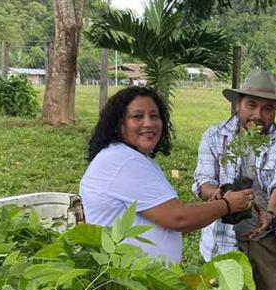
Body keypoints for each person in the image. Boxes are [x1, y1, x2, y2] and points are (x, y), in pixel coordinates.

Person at [79, 86, 254, 265]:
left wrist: (214, 206)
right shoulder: (123, 161)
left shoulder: (134, 157)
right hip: (125, 280)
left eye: (154, 116)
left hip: (138, 279)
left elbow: (164, 218)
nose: (148, 123)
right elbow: (178, 218)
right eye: (137, 116)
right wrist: (227, 205)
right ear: (119, 124)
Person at [193, 69, 276, 290]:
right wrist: (218, 196)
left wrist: (268, 213)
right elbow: (203, 181)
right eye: (252, 105)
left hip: (263, 238)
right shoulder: (215, 136)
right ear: (238, 104)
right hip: (221, 237)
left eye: (267, 108)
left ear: (275, 111)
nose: (258, 114)